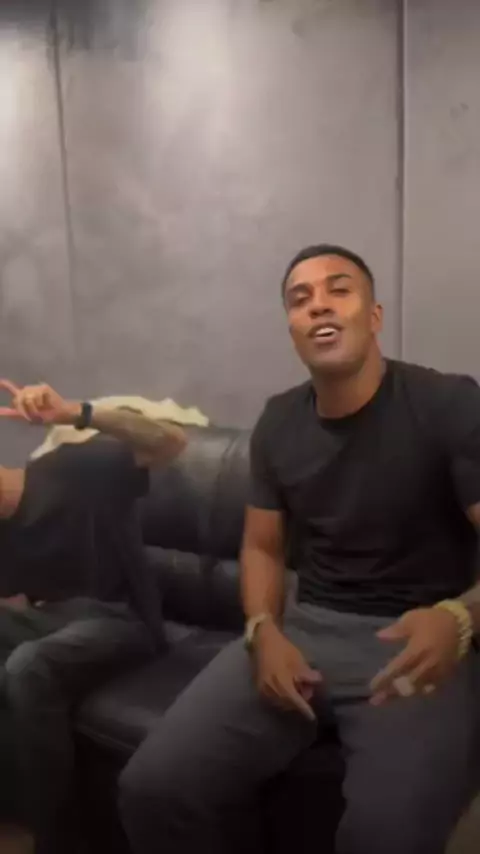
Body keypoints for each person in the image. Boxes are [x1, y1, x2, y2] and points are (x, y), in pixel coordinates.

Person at [119, 244, 480, 854]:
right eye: (300, 298)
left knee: (384, 838)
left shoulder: (447, 403)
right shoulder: (278, 421)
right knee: (153, 787)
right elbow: (261, 547)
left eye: (339, 289)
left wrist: (460, 619)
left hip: (417, 641)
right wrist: (262, 629)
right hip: (305, 629)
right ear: (292, 328)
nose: (319, 305)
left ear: (374, 315)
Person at [0, 380, 187, 853]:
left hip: (122, 619)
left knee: (28, 665)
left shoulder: (71, 468)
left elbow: (169, 441)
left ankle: (46, 837)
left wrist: (75, 412)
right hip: (51, 621)